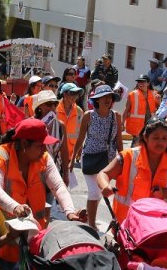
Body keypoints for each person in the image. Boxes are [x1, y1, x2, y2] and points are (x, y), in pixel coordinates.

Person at [0, 118, 85, 268]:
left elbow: (58, 186)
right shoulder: (0, 156)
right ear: (25, 144)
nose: (45, 150)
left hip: (35, 238)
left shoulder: (43, 157)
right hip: (4, 239)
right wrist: (15, 207)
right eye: (40, 145)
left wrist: (70, 212)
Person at [98, 117, 167, 223]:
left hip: (162, 227)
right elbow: (103, 174)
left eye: (164, 138)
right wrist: (105, 186)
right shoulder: (128, 157)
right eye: (156, 138)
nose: (160, 142)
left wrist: (164, 193)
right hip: (129, 225)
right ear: (145, 137)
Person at [72, 85, 123, 230]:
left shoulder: (116, 116)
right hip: (90, 159)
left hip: (108, 161)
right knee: (95, 191)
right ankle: (92, 225)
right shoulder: (89, 115)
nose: (108, 100)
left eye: (110, 97)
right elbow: (81, 137)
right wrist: (71, 160)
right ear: (97, 100)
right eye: (104, 97)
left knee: (100, 191)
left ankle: (88, 216)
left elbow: (119, 141)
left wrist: (123, 160)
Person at [33, 90, 70, 186]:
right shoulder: (31, 124)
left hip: (53, 173)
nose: (53, 107)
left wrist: (66, 174)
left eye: (55, 104)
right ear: (39, 107)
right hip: (33, 173)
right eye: (49, 104)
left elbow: (64, 152)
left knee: (50, 200)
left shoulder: (60, 126)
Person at [122, 74, 160, 146]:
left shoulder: (154, 94)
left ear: (148, 83)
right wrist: (122, 123)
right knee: (136, 146)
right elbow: (126, 109)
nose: (140, 83)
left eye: (143, 82)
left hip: (150, 125)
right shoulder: (132, 94)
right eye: (139, 82)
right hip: (137, 126)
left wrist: (159, 101)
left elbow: (158, 108)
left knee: (147, 145)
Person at [56, 83, 84, 170]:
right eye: (72, 93)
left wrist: (80, 147)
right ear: (64, 94)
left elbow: (80, 131)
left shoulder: (79, 111)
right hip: (56, 151)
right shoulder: (54, 108)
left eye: (77, 94)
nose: (75, 96)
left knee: (65, 180)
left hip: (69, 153)